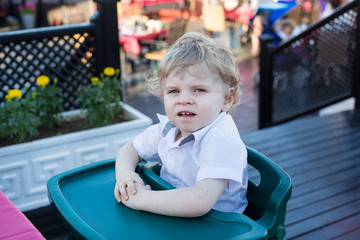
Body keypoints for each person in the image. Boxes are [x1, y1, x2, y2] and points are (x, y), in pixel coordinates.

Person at [114, 32, 248, 217]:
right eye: (174, 91)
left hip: (219, 227)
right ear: (163, 95)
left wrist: (140, 199)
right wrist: (125, 175)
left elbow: (199, 202)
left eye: (198, 90)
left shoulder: (221, 139)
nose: (184, 99)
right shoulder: (169, 128)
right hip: (176, 215)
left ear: (226, 99)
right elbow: (130, 149)